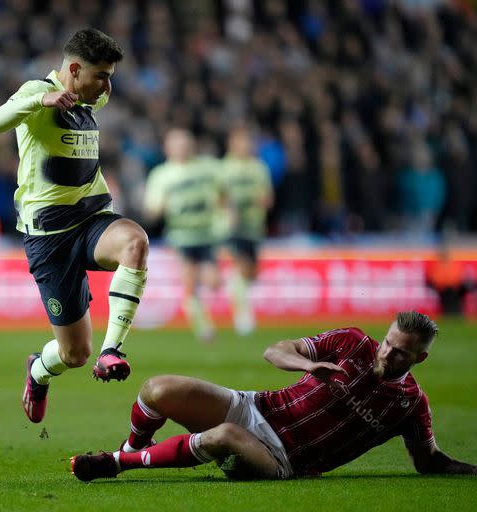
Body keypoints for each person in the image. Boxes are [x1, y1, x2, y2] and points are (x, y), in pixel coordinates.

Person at [71, 311, 477, 481]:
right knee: (156, 389)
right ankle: (131, 446)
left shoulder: (409, 404)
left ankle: (118, 464)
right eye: (388, 341)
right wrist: (306, 366)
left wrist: (469, 470)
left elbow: (428, 461)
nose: (387, 352)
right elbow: (274, 350)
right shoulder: (352, 342)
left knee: (225, 435)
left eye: (401, 351)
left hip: (282, 458)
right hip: (257, 407)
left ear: (419, 358)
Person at [0, 28, 149, 424]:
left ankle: (114, 351)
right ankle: (38, 372)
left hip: (92, 219)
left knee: (135, 243)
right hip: (48, 238)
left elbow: (98, 92)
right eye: (101, 76)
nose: (107, 86)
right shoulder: (35, 92)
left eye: (110, 75)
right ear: (74, 69)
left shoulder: (94, 96)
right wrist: (41, 99)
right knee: (75, 354)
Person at [143, 129, 226, 342]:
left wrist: (225, 215)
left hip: (206, 233)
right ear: (168, 148)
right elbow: (152, 208)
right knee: (190, 283)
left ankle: (200, 312)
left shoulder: (208, 168)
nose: (181, 148)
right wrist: (157, 208)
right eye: (176, 144)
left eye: (184, 143)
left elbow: (224, 193)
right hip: (181, 236)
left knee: (213, 281)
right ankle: (203, 326)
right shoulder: (161, 174)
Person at [217, 124, 273, 335]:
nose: (245, 145)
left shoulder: (258, 167)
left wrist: (259, 202)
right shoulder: (223, 168)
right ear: (231, 143)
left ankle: (236, 290)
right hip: (231, 226)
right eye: (241, 141)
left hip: (253, 225)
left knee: (252, 273)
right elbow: (217, 197)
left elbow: (268, 197)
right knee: (240, 264)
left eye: (248, 141)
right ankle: (242, 316)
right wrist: (228, 208)